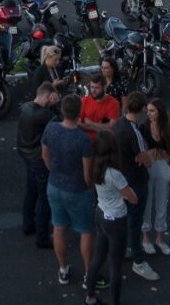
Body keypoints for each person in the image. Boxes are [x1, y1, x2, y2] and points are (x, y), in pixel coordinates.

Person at [41, 95, 97, 288]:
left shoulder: (51, 129)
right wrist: (89, 186)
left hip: (54, 185)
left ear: (63, 111)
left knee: (58, 228)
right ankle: (89, 274)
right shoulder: (83, 139)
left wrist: (54, 172)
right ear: (79, 113)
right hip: (76, 190)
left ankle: (63, 269)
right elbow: (87, 173)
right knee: (86, 231)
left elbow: (45, 154)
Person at [84, 130, 138, 305]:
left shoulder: (94, 166)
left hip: (101, 213)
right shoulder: (115, 174)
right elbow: (132, 198)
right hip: (116, 219)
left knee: (97, 258)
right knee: (115, 266)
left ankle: (90, 297)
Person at [113, 91, 160, 282]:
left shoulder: (119, 124)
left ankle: (126, 247)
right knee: (135, 220)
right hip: (136, 181)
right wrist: (147, 158)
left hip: (122, 179)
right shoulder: (134, 131)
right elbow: (145, 159)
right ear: (141, 109)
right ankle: (138, 260)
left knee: (125, 217)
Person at [17, 82, 59, 249]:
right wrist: (56, 105)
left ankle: (28, 224)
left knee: (31, 191)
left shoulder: (25, 107)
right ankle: (42, 236)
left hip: (26, 154)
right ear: (48, 96)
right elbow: (61, 120)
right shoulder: (44, 115)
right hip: (39, 158)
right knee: (44, 198)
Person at [140, 98, 170, 256]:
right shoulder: (143, 128)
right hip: (148, 167)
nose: (148, 113)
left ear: (160, 112)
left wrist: (154, 153)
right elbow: (143, 152)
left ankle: (160, 238)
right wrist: (158, 153)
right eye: (148, 110)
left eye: (152, 111)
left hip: (163, 167)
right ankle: (145, 238)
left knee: (162, 203)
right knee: (147, 203)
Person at [79, 74, 120, 142]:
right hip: (86, 141)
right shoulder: (85, 100)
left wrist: (91, 124)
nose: (93, 90)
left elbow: (112, 126)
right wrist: (98, 127)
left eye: (97, 88)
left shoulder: (114, 103)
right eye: (92, 87)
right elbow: (78, 122)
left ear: (104, 87)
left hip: (104, 142)